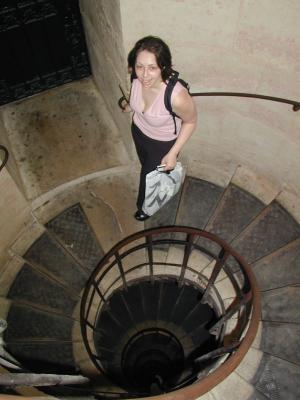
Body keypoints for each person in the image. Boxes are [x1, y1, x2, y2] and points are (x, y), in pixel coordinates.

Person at [120, 36, 197, 221]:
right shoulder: (136, 77)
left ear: (163, 66)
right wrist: (130, 105)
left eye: (152, 68)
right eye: (140, 66)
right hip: (139, 132)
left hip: (163, 145)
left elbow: (191, 122)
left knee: (148, 179)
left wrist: (173, 153)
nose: (144, 75)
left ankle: (145, 208)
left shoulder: (176, 96)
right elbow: (138, 98)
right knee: (146, 167)